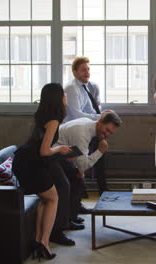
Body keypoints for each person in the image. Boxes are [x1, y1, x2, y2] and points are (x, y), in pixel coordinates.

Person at [12, 83, 72, 260]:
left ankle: (39, 240)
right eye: (64, 95)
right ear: (58, 98)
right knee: (53, 198)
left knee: (44, 200)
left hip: (26, 161)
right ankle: (44, 242)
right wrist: (59, 149)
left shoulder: (43, 115)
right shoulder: (54, 119)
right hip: (31, 164)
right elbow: (44, 151)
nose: (66, 98)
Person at [54, 111, 122, 225]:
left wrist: (79, 169)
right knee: (73, 180)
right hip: (52, 158)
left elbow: (79, 159)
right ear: (100, 121)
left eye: (111, 133)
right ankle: (65, 221)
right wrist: (100, 151)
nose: (107, 135)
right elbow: (84, 164)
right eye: (107, 130)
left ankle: (72, 214)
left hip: (64, 156)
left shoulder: (88, 125)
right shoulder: (83, 134)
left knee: (78, 177)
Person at [64, 56, 109, 195]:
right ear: (75, 72)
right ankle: (85, 194)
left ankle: (102, 189)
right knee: (78, 166)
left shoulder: (84, 87)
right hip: (71, 133)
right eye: (83, 70)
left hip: (83, 129)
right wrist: (101, 118)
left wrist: (101, 117)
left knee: (102, 143)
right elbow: (77, 114)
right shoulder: (71, 88)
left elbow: (90, 110)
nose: (87, 72)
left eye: (88, 69)